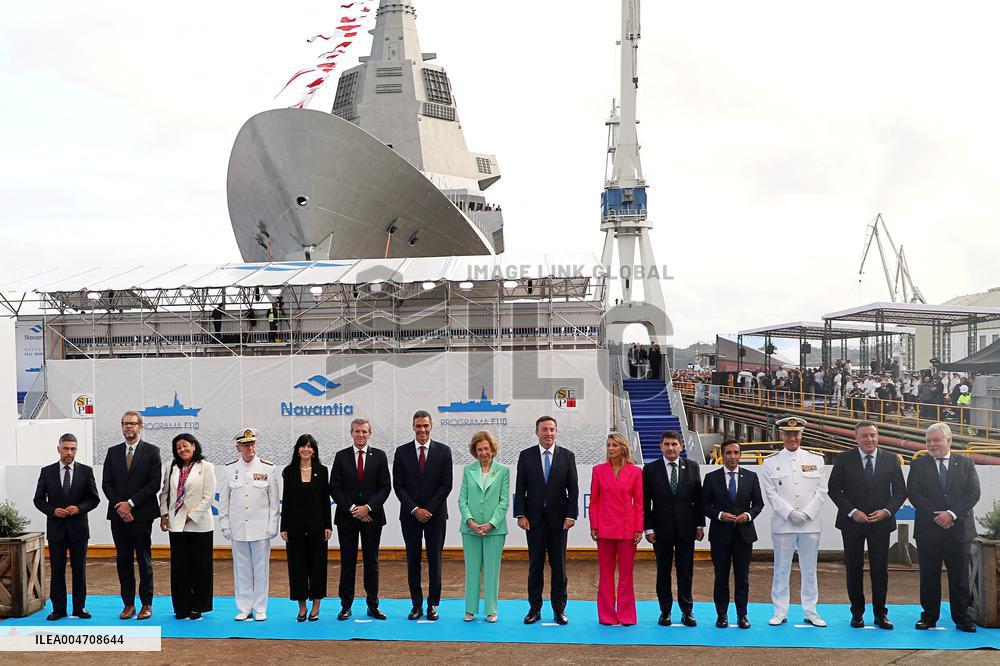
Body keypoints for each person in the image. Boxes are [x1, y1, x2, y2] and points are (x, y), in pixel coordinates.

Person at [827, 421, 907, 630]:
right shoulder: (844, 459)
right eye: (864, 436)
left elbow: (900, 492)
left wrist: (886, 511)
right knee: (854, 568)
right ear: (856, 438)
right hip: (852, 523)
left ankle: (881, 613)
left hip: (880, 523)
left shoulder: (891, 459)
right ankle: (857, 613)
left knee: (880, 570)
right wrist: (853, 512)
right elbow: (834, 490)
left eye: (873, 435)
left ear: (877, 436)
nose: (869, 439)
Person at [907, 422, 981, 633]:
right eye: (928, 441)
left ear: (948, 440)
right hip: (929, 530)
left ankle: (962, 617)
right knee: (929, 576)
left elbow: (973, 494)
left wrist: (952, 514)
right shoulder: (918, 465)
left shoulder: (966, 464)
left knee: (960, 576)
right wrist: (938, 515)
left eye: (936, 440)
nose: (931, 444)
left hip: (959, 530)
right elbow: (914, 494)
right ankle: (929, 617)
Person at [760, 416, 829, 627]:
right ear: (781, 434)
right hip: (783, 524)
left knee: (810, 569)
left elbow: (821, 491)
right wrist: (790, 513)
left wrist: (806, 514)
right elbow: (771, 495)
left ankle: (811, 611)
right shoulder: (771, 462)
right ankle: (780, 611)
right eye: (788, 433)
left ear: (801, 434)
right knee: (781, 569)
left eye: (796, 433)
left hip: (810, 524)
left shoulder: (816, 459)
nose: (792, 437)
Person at [514, 415, 579, 625]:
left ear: (556, 432)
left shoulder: (567, 456)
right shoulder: (526, 456)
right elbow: (520, 488)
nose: (548, 433)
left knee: (559, 568)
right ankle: (534, 609)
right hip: (533, 522)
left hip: (559, 522)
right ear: (537, 432)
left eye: (552, 429)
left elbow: (574, 489)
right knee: (535, 567)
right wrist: (520, 514)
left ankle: (559, 610)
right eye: (544, 429)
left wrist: (571, 515)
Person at [392, 411, 453, 621]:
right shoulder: (401, 452)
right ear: (413, 427)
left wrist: (429, 509)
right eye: (418, 426)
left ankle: (433, 605)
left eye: (425, 425)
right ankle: (416, 605)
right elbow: (398, 486)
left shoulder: (444, 451)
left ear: (431, 426)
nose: (422, 430)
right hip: (410, 516)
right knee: (413, 560)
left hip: (435, 516)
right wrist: (415, 509)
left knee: (435, 560)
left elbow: (446, 485)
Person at [102, 411, 162, 621]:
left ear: (140, 426)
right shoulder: (112, 452)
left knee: (144, 560)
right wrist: (121, 507)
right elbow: (106, 484)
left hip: (142, 515)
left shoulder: (152, 452)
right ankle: (128, 604)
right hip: (118, 516)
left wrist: (131, 504)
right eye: (125, 424)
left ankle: (146, 604)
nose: (129, 427)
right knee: (123, 561)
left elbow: (154, 484)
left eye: (133, 424)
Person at [33, 433, 100, 621]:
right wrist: (53, 511)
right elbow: (38, 500)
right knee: (57, 570)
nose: (69, 452)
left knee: (79, 570)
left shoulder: (86, 471)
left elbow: (94, 499)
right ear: (58, 449)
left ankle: (79, 608)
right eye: (65, 448)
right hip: (56, 530)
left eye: (72, 449)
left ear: (76, 450)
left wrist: (78, 508)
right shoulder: (47, 472)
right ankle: (59, 609)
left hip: (79, 530)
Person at [330, 418, 392, 620]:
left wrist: (368, 508)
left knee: (371, 562)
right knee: (347, 562)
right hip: (347, 519)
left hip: (372, 518)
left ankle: (373, 605)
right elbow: (335, 488)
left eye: (364, 431)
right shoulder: (341, 457)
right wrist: (353, 508)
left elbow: (385, 487)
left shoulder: (380, 456)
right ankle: (345, 606)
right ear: (351, 433)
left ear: (370, 434)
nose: (361, 435)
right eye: (357, 431)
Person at [218, 427, 280, 621]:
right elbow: (224, 502)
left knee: (261, 569)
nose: (249, 448)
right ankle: (244, 607)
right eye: (245, 445)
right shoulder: (229, 469)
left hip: (260, 528)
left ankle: (260, 607)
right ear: (238, 447)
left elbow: (273, 502)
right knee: (241, 569)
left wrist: (272, 526)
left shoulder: (268, 468)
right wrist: (225, 524)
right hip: (238, 529)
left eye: (252, 444)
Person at [643, 430, 704, 627]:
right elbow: (646, 503)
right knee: (663, 571)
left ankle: (687, 611)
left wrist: (700, 525)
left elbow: (698, 500)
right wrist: (648, 528)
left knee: (686, 572)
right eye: (667, 444)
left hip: (687, 529)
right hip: (661, 531)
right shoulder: (650, 469)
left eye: (674, 444)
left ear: (681, 447)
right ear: (660, 446)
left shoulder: (692, 467)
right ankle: (665, 611)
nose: (670, 448)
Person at [702, 438, 763, 629]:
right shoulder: (712, 478)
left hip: (744, 535)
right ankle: (721, 615)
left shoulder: (751, 477)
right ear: (722, 455)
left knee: (742, 577)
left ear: (740, 455)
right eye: (728, 452)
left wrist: (748, 515)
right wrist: (719, 515)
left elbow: (759, 504)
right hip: (720, 535)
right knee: (721, 577)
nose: (732, 456)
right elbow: (704, 505)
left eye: (736, 453)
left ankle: (742, 615)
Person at [158, 433, 216, 620]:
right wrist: (164, 514)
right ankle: (181, 607)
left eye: (185, 446)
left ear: (194, 446)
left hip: (200, 525)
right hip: (176, 525)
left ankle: (198, 606)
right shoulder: (170, 467)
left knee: (200, 567)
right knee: (180, 568)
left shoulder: (206, 467)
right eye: (178, 447)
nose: (182, 450)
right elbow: (164, 493)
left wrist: (193, 515)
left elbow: (209, 496)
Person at [589, 432, 643, 626]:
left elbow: (639, 503)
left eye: (614, 445)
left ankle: (627, 615)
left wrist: (639, 528)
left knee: (626, 574)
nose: (611, 449)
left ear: (623, 448)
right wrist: (593, 525)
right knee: (605, 573)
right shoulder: (598, 471)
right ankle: (607, 615)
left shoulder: (635, 472)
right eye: (609, 445)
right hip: (604, 528)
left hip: (628, 529)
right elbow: (594, 501)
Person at [280, 434, 332, 622]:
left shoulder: (323, 470)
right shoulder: (289, 471)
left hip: (318, 528)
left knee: (318, 567)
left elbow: (325, 500)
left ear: (314, 450)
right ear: (297, 449)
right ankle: (302, 607)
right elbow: (286, 501)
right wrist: (283, 526)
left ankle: (316, 606)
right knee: (298, 568)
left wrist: (328, 524)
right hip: (294, 529)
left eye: (310, 446)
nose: (306, 449)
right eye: (303, 446)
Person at [458, 430, 509, 623]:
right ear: (474, 451)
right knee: (471, 570)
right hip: (470, 529)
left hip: (494, 530)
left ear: (493, 449)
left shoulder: (503, 470)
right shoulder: (468, 470)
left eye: (486, 448)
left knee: (492, 571)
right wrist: (470, 521)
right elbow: (462, 500)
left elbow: (504, 501)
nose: (483, 452)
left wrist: (491, 523)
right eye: (479, 449)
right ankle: (470, 610)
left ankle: (491, 610)